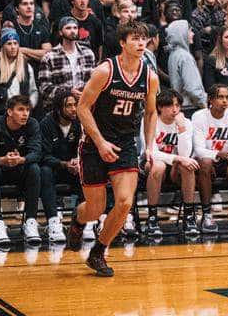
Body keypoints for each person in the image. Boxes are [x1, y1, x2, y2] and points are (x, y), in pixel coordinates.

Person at [66, 22, 159, 277]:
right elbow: (82, 108)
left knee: (125, 202)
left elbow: (151, 113)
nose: (141, 43)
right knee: (95, 208)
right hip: (95, 144)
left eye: (144, 39)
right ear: (122, 42)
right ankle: (77, 221)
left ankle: (98, 251)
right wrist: (100, 143)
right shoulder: (105, 71)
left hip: (126, 143)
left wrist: (149, 146)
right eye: (135, 39)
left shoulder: (149, 76)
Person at [0, 94, 44, 247]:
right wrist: (1, 160)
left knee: (34, 168)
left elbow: (38, 153)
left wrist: (22, 159)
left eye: (27, 110)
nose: (25, 114)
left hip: (19, 170)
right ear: (9, 111)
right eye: (20, 110)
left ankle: (30, 222)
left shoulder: (32, 124)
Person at [191, 83, 228, 233]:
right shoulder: (198, 116)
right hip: (208, 161)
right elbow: (198, 149)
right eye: (220, 97)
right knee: (205, 162)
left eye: (227, 97)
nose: (225, 101)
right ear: (210, 100)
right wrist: (218, 154)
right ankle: (207, 215)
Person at [143, 89, 199, 237]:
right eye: (170, 105)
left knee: (188, 166)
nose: (175, 109)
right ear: (160, 107)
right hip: (155, 165)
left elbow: (185, 154)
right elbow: (151, 152)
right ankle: (152, 218)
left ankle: (188, 216)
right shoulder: (150, 121)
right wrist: (178, 159)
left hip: (176, 168)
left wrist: (181, 129)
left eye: (177, 105)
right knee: (158, 166)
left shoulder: (186, 122)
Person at [38, 89, 79, 243]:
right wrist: (63, 164)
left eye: (75, 105)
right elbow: (42, 155)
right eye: (69, 106)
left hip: (72, 170)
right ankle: (53, 221)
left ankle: (85, 222)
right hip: (54, 169)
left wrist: (77, 160)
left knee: (87, 170)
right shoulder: (46, 124)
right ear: (58, 109)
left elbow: (85, 148)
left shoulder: (79, 123)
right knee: (44, 171)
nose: (74, 109)